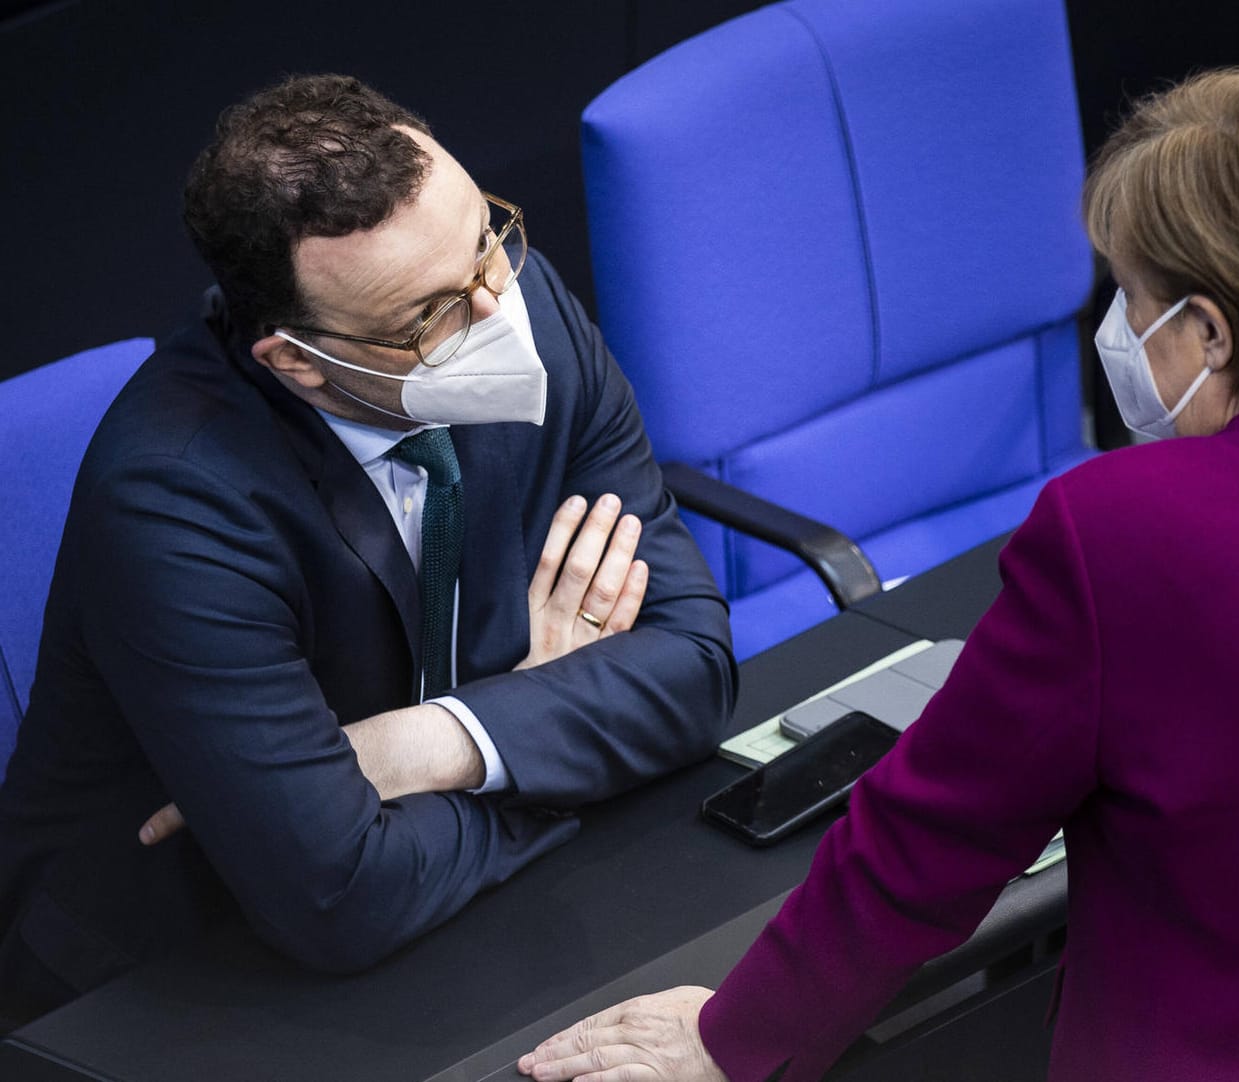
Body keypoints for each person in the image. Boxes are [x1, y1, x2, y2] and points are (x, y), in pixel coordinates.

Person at [517, 68, 1239, 1081]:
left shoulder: (1114, 537)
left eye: (1132, 297)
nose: (1119, 328)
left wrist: (732, 1039)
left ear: (1211, 331)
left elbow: (924, 847)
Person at [0, 73, 735, 1028]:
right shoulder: (174, 500)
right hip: (167, 977)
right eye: (426, 318)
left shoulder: (524, 308)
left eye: (489, 239)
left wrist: (414, 746)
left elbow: (695, 669)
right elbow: (339, 897)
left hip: (449, 910)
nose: (495, 311)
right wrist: (560, 739)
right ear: (299, 360)